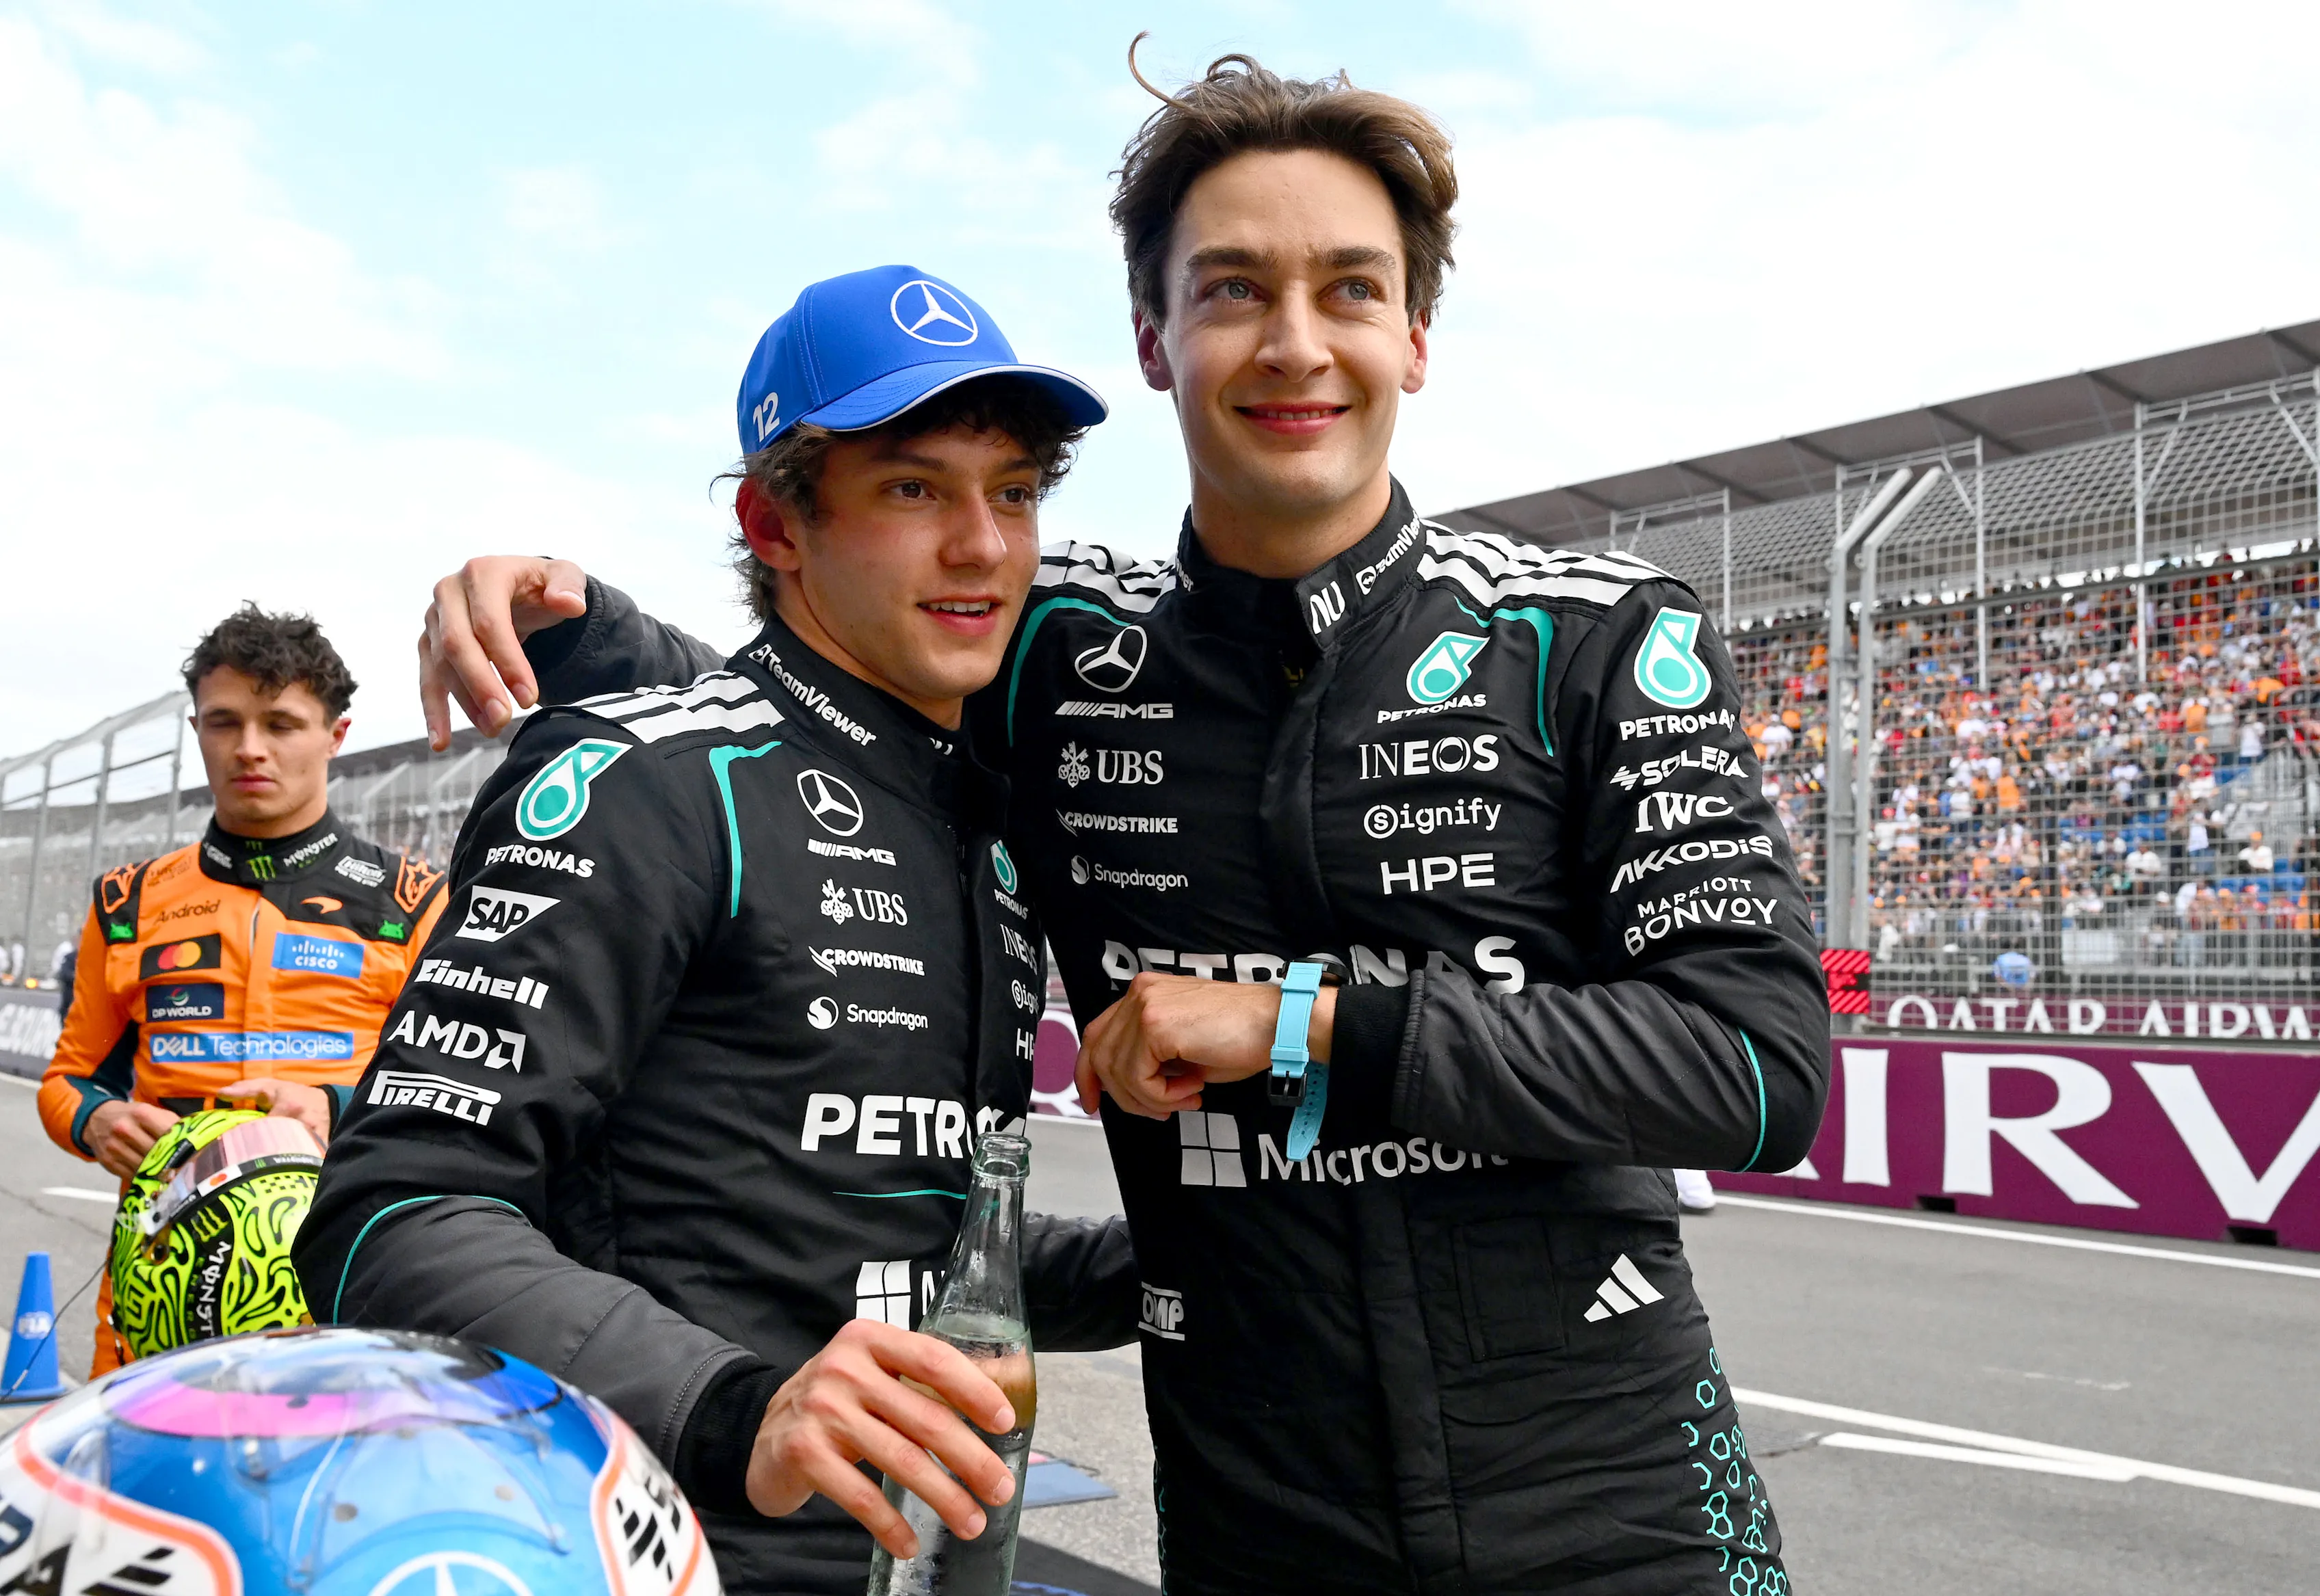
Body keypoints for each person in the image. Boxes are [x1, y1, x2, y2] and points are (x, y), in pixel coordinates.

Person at [418, 55, 1827, 1595]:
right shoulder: (1059, 646)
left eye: (1348, 290)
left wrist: (1299, 1023)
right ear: (1155, 342)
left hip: (1619, 1518)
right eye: (1231, 290)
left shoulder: (1591, 635)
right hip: (1257, 1527)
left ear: (1414, 336)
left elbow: (1756, 1068)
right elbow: (828, 698)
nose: (1295, 343)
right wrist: (583, 632)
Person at [295, 266, 1137, 1596]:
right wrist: (739, 1408)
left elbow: (884, 1224)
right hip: (654, 1554)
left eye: (1016, 491)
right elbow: (396, 1210)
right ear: (776, 524)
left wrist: (1182, 1259)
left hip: (923, 1560)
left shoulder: (976, 826)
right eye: (915, 488)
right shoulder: (647, 780)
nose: (983, 545)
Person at [40, 605, 451, 1375]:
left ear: (336, 735)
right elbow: (67, 1081)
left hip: (342, 1276)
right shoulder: (127, 902)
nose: (250, 749)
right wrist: (95, 1120)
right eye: (224, 722)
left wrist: (333, 1107)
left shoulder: (414, 900)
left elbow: (455, 1090)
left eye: (281, 723)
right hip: (155, 1287)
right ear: (197, 729)